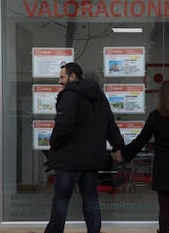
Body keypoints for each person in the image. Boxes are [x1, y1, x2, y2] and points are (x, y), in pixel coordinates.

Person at [114, 80, 169, 233]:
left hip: (164, 169)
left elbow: (141, 140)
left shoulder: (155, 116)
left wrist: (124, 154)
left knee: (165, 209)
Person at [44, 62, 124, 233]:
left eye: (62, 77)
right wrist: (118, 146)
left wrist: (54, 145)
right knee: (91, 200)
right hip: (91, 159)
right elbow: (110, 124)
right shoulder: (100, 97)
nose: (59, 81)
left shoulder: (69, 95)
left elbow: (63, 126)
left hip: (69, 160)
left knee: (61, 201)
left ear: (72, 77)